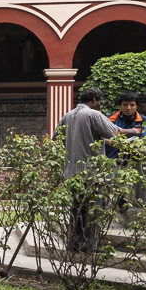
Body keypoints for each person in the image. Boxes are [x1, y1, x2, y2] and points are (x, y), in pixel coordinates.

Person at [59, 87, 129, 251]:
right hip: (91, 173)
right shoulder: (94, 115)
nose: (101, 105)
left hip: (71, 172)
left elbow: (56, 136)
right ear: (94, 100)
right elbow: (115, 134)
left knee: (76, 210)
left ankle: (75, 244)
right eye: (100, 101)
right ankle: (90, 246)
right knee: (93, 210)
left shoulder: (67, 115)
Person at [105, 91, 146, 160]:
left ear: (136, 106)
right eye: (125, 105)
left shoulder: (144, 120)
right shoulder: (109, 119)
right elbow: (98, 139)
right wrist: (107, 142)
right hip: (112, 158)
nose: (128, 108)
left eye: (132, 105)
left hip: (135, 159)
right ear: (120, 106)